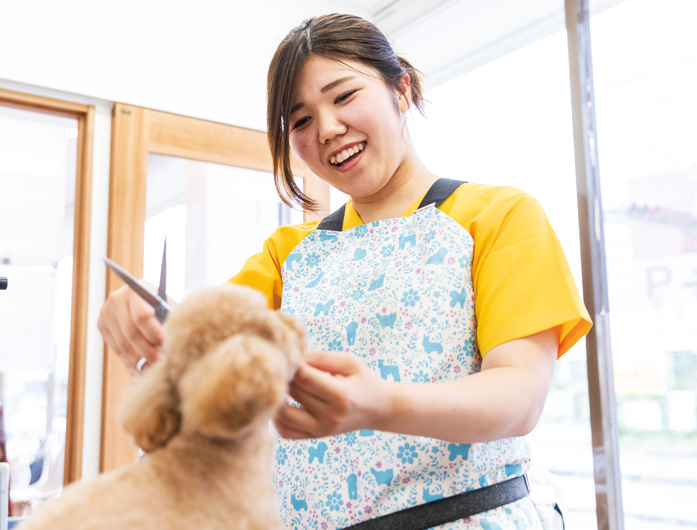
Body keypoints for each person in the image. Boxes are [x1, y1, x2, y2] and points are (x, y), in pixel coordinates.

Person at [97, 13, 592, 530]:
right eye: (302, 120)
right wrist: (144, 323)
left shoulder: (498, 217)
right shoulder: (289, 254)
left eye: (343, 96)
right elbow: (199, 341)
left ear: (401, 89)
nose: (328, 129)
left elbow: (517, 396)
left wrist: (383, 404)